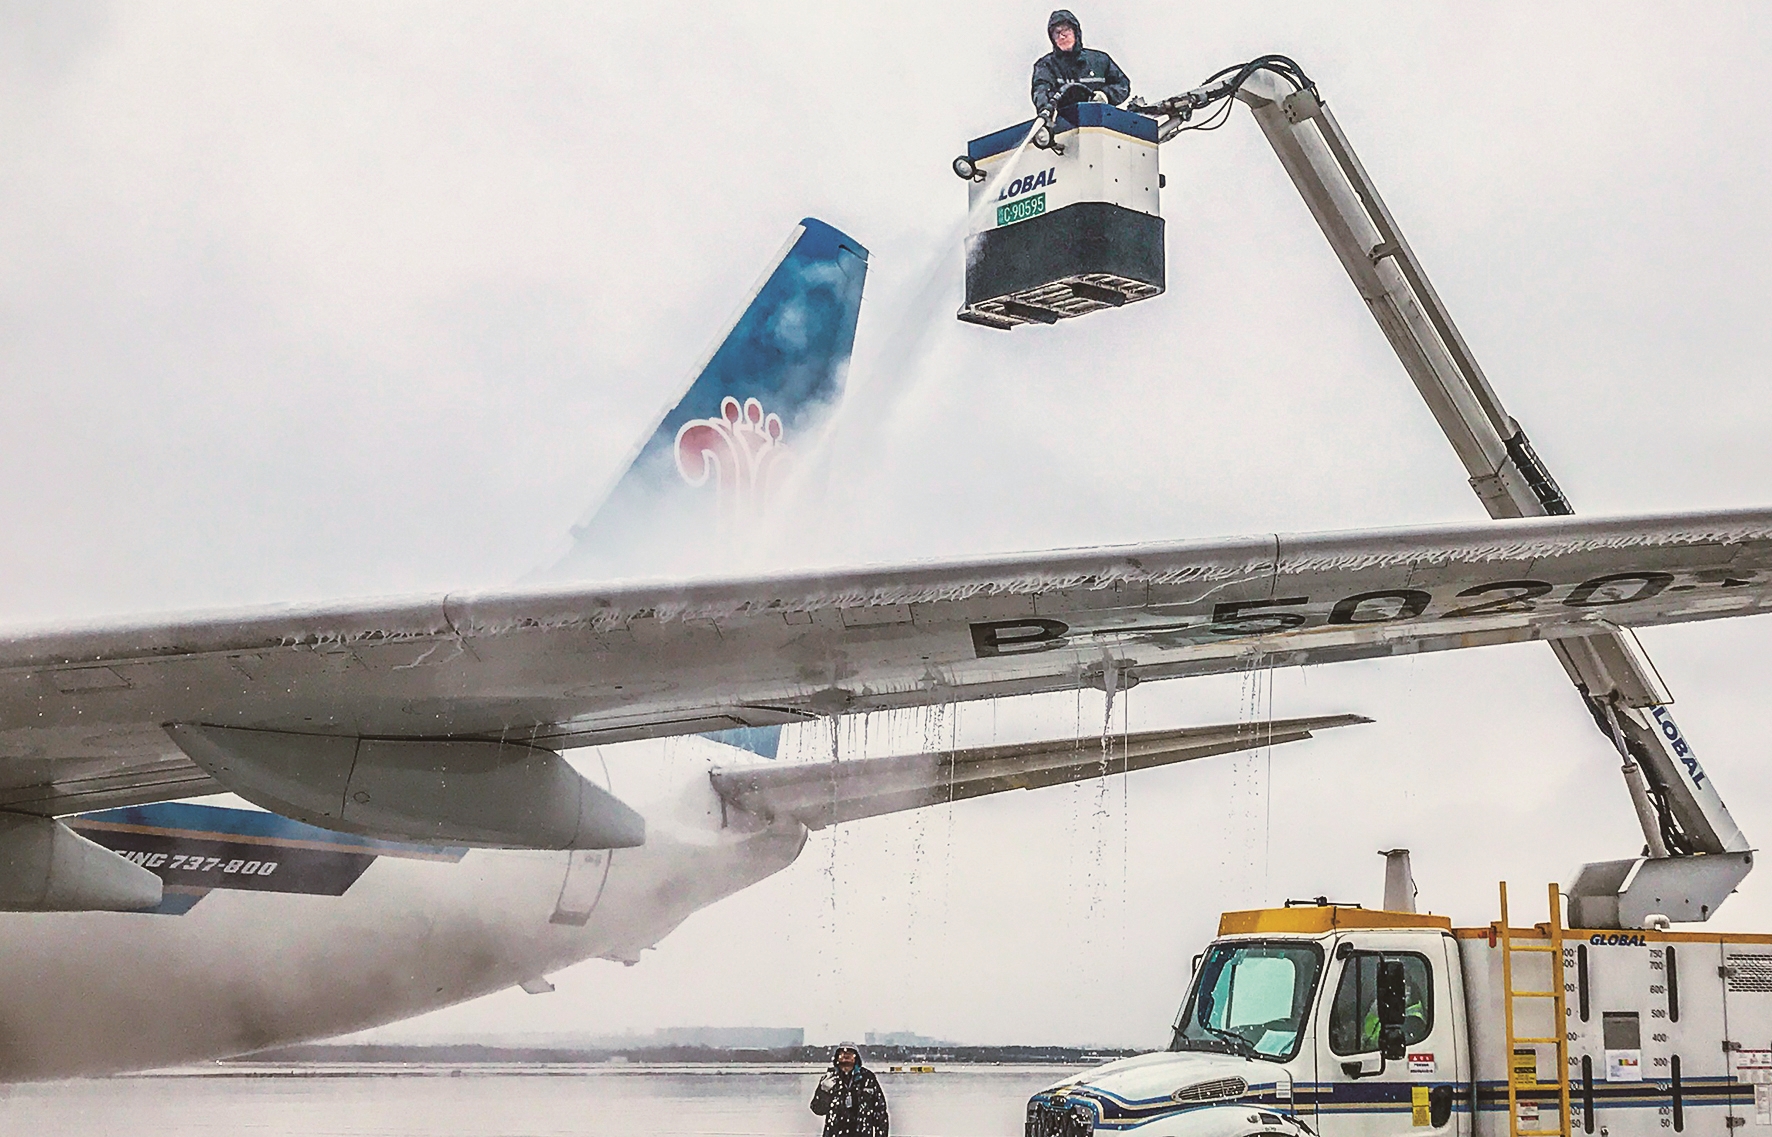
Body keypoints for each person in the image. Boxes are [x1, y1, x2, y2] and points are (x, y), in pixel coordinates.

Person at [1030, 10, 1131, 121]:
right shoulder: (1046, 66)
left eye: (1066, 30)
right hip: (1064, 127)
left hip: (1100, 124)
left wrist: (1105, 95)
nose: (1062, 36)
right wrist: (1046, 110)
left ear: (1075, 32)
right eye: (1056, 33)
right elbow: (1041, 90)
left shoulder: (1100, 61)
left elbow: (1123, 85)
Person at [809, 1044, 890, 1137]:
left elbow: (880, 1112)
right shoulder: (829, 1079)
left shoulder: (867, 1078)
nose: (846, 1056)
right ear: (837, 1058)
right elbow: (818, 1109)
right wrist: (824, 1092)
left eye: (850, 1053)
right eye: (842, 1053)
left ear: (856, 1058)